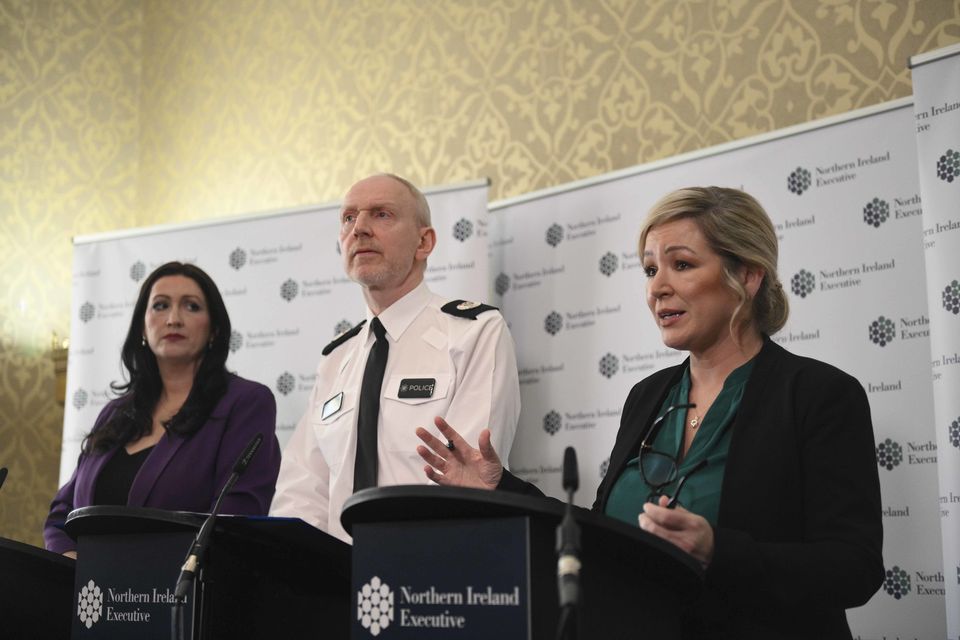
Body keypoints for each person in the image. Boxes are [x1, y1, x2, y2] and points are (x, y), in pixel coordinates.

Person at [416, 187, 883, 639]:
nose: (657, 288)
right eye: (649, 269)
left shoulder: (820, 395)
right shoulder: (648, 395)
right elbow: (602, 537)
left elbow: (855, 568)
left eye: (682, 265)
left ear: (748, 275)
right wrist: (502, 489)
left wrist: (718, 552)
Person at [270, 173, 521, 541]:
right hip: (335, 580)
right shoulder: (336, 359)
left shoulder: (473, 332)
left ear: (424, 242)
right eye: (348, 218)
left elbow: (468, 480)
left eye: (382, 214)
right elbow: (302, 490)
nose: (359, 229)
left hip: (432, 570)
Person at [44, 262, 281, 556]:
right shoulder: (115, 414)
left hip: (178, 595)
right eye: (160, 305)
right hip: (88, 593)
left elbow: (235, 521)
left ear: (214, 330)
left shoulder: (245, 403)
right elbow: (62, 513)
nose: (173, 319)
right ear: (142, 328)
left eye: (191, 307)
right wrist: (70, 559)